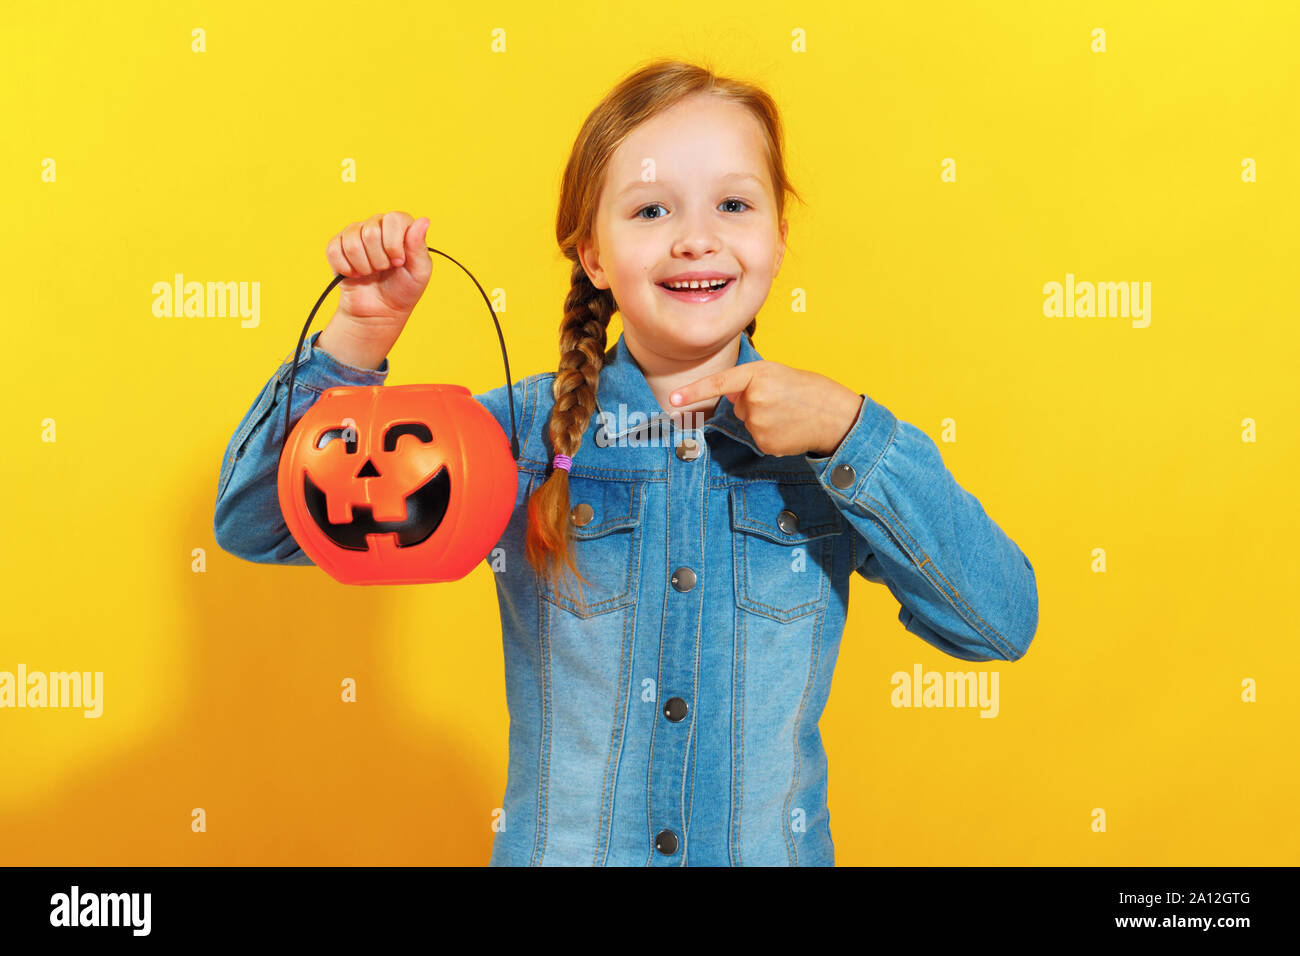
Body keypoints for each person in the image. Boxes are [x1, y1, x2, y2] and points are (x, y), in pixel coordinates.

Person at [214, 58, 1039, 866]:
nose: (697, 238)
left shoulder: (833, 446)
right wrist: (358, 340)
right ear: (592, 255)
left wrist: (851, 432)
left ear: (779, 239)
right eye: (650, 211)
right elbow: (258, 523)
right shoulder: (519, 436)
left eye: (733, 203)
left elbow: (999, 622)